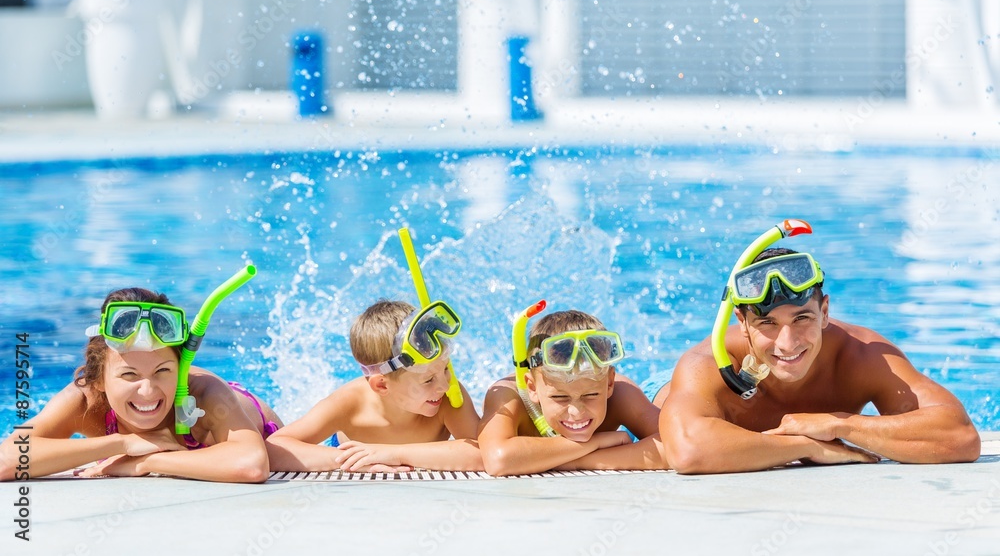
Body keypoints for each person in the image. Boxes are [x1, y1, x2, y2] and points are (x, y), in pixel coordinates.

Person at [659, 244, 982, 474]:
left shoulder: (862, 353)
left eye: (802, 319)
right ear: (742, 323)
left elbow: (960, 436)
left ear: (824, 312)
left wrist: (839, 423)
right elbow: (688, 452)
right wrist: (807, 445)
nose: (787, 344)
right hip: (659, 391)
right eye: (767, 323)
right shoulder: (707, 362)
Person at [0, 287, 280, 483]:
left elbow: (252, 464)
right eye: (129, 375)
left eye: (163, 370)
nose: (147, 390)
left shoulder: (204, 393)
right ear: (98, 379)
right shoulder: (86, 399)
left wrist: (146, 461)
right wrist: (122, 443)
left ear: (181, 370)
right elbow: (6, 459)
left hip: (262, 427)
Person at [265, 299, 483, 472]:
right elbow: (274, 449)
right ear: (382, 386)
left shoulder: (449, 397)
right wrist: (352, 460)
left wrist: (393, 454)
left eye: (446, 369)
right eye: (428, 380)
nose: (444, 385)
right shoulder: (350, 404)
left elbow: (484, 453)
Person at [477, 305, 662, 476]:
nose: (576, 412)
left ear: (609, 384)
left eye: (591, 395)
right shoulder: (509, 397)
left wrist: (580, 460)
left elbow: (678, 446)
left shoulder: (622, 393)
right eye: (560, 397)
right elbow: (498, 460)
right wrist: (596, 442)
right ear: (532, 387)